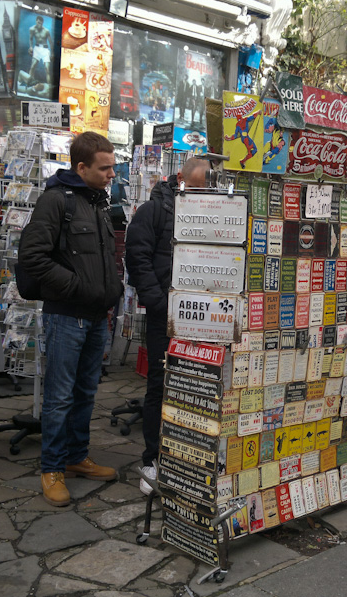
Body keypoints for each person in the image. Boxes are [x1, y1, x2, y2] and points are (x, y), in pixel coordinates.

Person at [18, 132, 123, 506]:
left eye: (113, 166)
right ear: (81, 168)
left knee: (86, 393)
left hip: (96, 317)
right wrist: (78, 287)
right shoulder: (54, 201)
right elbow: (33, 256)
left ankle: (76, 457)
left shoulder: (97, 202)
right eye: (105, 167)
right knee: (60, 396)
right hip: (67, 317)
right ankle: (52, 468)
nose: (112, 173)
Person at [124, 157, 209, 495]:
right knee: (160, 384)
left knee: (196, 385)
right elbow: (137, 257)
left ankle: (187, 457)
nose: (203, 192)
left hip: (202, 316)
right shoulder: (154, 211)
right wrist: (159, 302)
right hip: (166, 315)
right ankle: (152, 459)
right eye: (197, 185)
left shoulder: (214, 210)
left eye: (207, 187)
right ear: (180, 178)